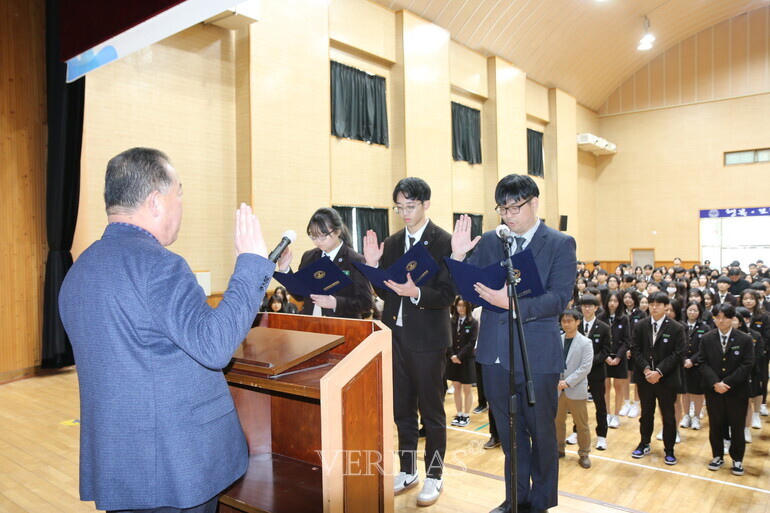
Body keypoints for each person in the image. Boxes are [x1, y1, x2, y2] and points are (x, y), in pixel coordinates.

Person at [58, 148, 275, 513]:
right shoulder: (160, 266)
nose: (181, 206)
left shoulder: (79, 270)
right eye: (180, 193)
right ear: (156, 201)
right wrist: (251, 264)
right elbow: (216, 344)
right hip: (175, 469)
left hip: (121, 465)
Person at [452, 174, 576, 513]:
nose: (508, 215)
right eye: (502, 208)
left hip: (537, 355)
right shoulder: (492, 240)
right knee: (511, 437)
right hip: (494, 354)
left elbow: (559, 299)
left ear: (534, 203)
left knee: (542, 436)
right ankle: (515, 501)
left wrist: (512, 302)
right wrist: (460, 257)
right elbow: (467, 291)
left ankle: (540, 503)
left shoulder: (559, 243)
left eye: (515, 208)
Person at [362, 177, 454, 507]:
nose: (404, 212)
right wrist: (372, 265)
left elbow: (446, 294)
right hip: (395, 335)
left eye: (410, 206)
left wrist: (415, 292)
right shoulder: (393, 240)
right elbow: (384, 290)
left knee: (432, 412)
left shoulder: (443, 241)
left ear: (426, 204)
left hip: (428, 339)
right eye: (399, 207)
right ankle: (407, 470)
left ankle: (435, 475)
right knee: (402, 409)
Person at [276, 207, 373, 318]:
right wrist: (285, 270)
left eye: (323, 236)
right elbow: (299, 295)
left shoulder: (354, 260)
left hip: (342, 328)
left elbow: (366, 303)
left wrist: (335, 303)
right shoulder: (309, 257)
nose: (317, 241)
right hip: (311, 326)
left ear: (338, 231)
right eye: (313, 236)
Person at [628, 292, 685, 465]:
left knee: (668, 415)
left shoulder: (676, 327)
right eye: (651, 303)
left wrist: (659, 372)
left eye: (658, 304)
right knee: (646, 413)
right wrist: (646, 369)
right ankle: (644, 443)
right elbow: (635, 349)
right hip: (644, 378)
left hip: (666, 379)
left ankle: (669, 449)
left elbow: (678, 353)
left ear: (666, 306)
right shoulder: (640, 325)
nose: (654, 307)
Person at [697, 303, 754, 476]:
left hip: (737, 391)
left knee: (737, 426)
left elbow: (747, 365)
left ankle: (737, 459)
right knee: (715, 424)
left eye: (725, 317)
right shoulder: (707, 338)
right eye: (717, 317)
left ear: (732, 319)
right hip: (713, 390)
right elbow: (702, 362)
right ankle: (717, 456)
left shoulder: (744, 339)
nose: (721, 321)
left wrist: (727, 383)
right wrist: (715, 382)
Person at [556, 310, 594, 469]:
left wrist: (567, 382)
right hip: (557, 389)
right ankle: (558, 450)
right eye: (563, 321)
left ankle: (584, 453)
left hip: (575, 388)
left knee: (581, 424)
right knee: (557, 422)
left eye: (569, 321)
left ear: (577, 322)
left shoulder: (585, 342)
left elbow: (585, 367)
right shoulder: (558, 339)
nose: (566, 324)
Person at [447, 298, 479, 427]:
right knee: (456, 387)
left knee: (467, 389)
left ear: (468, 307)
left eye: (463, 306)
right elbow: (448, 339)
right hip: (453, 359)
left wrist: (459, 356)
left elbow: (471, 343)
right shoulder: (451, 322)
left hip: (466, 360)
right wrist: (452, 355)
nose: (460, 308)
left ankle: (466, 415)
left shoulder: (473, 322)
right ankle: (459, 413)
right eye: (458, 306)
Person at [679, 301, 708, 431]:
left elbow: (704, 348)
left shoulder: (705, 327)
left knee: (697, 392)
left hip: (697, 364)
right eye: (690, 310)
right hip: (683, 364)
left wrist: (692, 360)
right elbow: (677, 345)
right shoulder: (680, 326)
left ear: (700, 312)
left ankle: (696, 416)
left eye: (695, 310)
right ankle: (686, 415)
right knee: (685, 392)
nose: (692, 313)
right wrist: (684, 359)